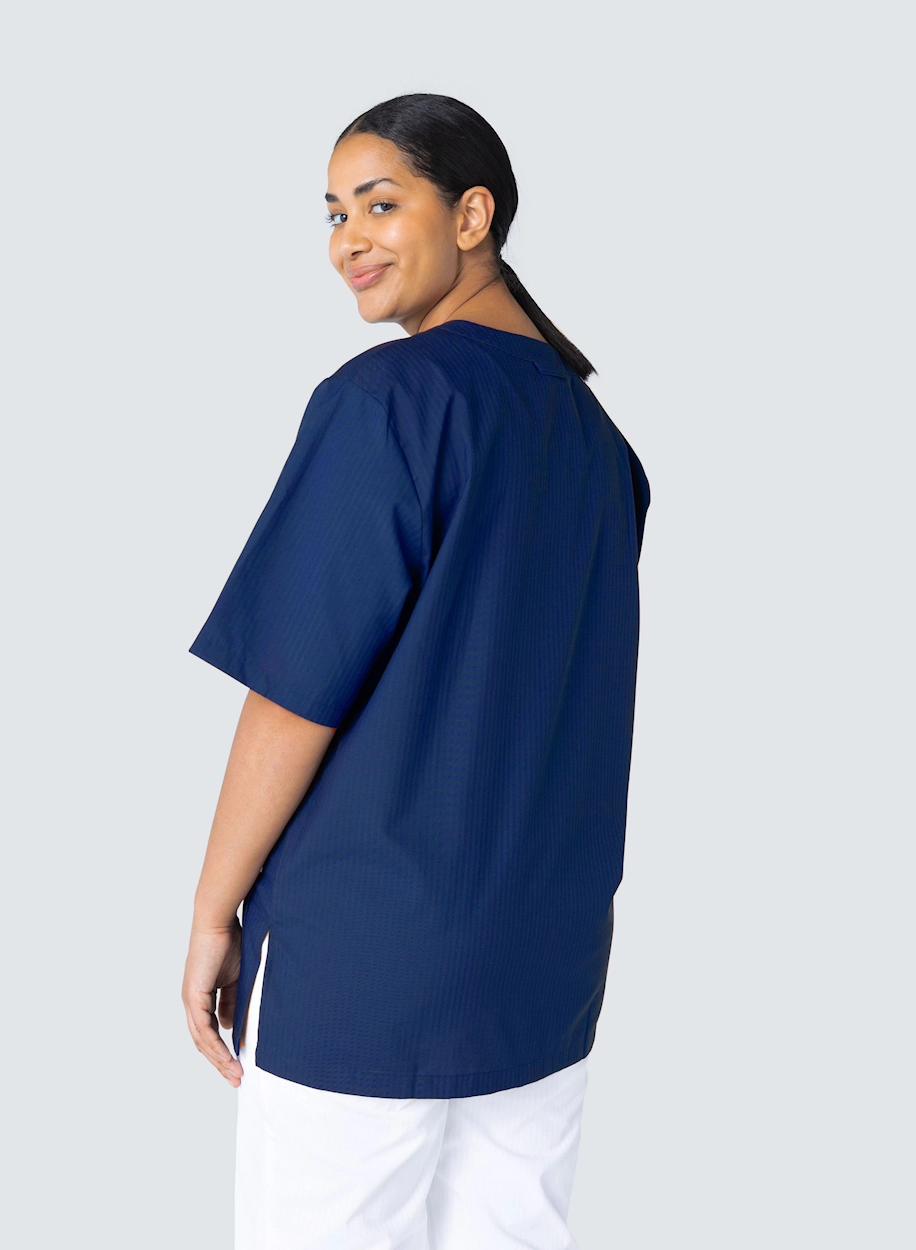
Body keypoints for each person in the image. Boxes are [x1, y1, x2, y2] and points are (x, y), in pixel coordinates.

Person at [181, 93, 651, 1250]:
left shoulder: (386, 403)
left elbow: (293, 695)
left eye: (380, 204)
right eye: (334, 213)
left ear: (472, 215)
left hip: (363, 966)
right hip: (542, 970)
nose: (349, 238)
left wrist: (209, 913)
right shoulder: (602, 449)